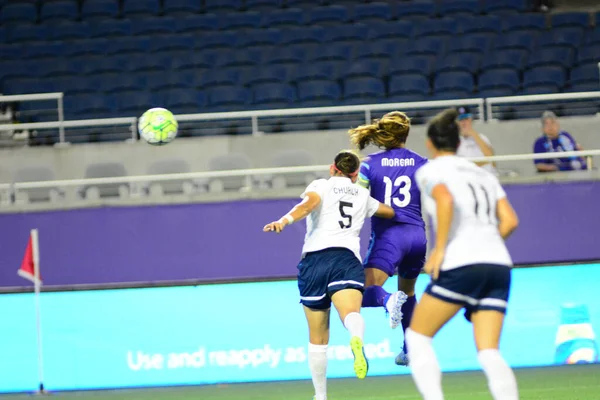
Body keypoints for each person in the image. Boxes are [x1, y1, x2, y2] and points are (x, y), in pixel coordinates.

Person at [407, 108, 520, 400]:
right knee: (489, 351)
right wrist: (486, 243)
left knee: (417, 338)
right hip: (498, 264)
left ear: (430, 143)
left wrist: (439, 250)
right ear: (458, 143)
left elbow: (444, 199)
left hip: (461, 262)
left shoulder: (430, 170)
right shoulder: (483, 174)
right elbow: (510, 221)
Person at [263, 150, 395, 400]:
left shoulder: (321, 185)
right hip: (345, 260)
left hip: (314, 262)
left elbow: (308, 204)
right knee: (351, 315)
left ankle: (321, 396)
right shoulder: (364, 196)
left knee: (318, 338)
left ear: (332, 168)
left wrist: (285, 220)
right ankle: (356, 338)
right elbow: (388, 212)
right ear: (355, 174)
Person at [348, 111, 428, 366]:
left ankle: (386, 301)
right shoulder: (423, 163)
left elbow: (356, 199)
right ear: (406, 134)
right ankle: (410, 348)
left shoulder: (369, 164)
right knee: (408, 292)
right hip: (417, 237)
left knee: (358, 292)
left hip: (389, 237)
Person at [455, 106, 497, 175]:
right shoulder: (454, 141)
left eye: (466, 119)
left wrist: (474, 134)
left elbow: (491, 159)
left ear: (471, 120)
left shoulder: (482, 137)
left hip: (484, 177)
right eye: (461, 120)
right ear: (457, 123)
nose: (464, 122)